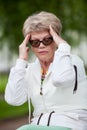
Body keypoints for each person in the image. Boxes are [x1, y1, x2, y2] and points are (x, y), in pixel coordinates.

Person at [5, 11, 87, 130]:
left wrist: (63, 47)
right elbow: (13, 100)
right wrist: (21, 61)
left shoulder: (72, 62)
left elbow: (61, 80)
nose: (41, 46)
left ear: (56, 39)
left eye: (47, 40)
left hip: (70, 125)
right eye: (35, 42)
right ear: (30, 44)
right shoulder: (31, 70)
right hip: (37, 126)